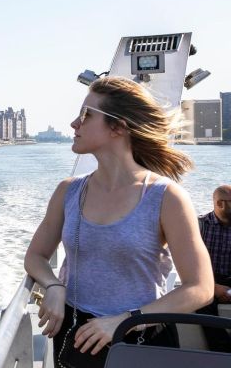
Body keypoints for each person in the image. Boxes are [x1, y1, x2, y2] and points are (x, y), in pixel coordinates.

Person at [24, 76, 215, 367]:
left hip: (142, 339)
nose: (75, 123)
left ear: (119, 127)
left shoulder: (166, 197)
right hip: (76, 335)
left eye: (86, 115)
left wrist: (125, 321)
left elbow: (200, 287)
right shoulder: (68, 191)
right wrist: (52, 286)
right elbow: (36, 256)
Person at [196, 185, 231, 351]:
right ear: (220, 204)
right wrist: (214, 288)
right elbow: (191, 266)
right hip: (207, 280)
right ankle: (222, 349)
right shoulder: (199, 226)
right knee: (201, 301)